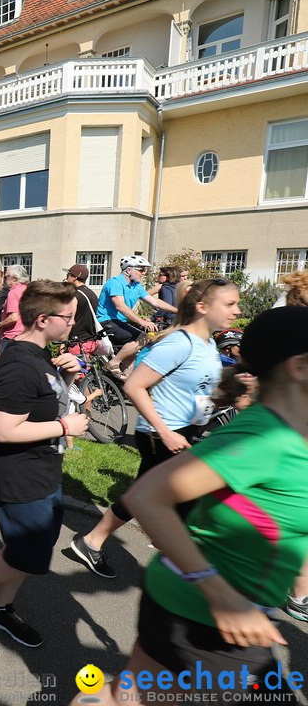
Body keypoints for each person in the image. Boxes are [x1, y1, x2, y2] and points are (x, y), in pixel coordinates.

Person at [70, 307, 308, 705]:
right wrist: (222, 596)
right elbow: (149, 496)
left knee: (124, 697)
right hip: (213, 613)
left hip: (197, 601)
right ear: (299, 367)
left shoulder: (287, 427)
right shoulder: (266, 437)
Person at [0, 281, 89, 648]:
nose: (73, 323)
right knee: (30, 552)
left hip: (41, 466)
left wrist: (69, 376)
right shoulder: (20, 365)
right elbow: (4, 430)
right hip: (17, 471)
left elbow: (47, 401)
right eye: (68, 317)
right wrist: (64, 426)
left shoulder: (41, 354)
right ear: (43, 319)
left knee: (33, 549)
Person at [70, 278, 240, 579]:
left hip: (184, 430)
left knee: (147, 495)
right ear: (202, 307)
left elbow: (202, 388)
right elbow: (135, 386)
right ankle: (185, 571)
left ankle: (93, 542)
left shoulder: (208, 343)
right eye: (229, 304)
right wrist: (164, 431)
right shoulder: (179, 342)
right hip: (162, 433)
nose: (237, 311)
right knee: (174, 500)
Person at [95, 255, 177, 379]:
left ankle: (126, 384)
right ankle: (113, 363)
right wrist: (142, 322)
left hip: (120, 322)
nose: (143, 273)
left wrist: (178, 310)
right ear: (128, 270)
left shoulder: (136, 287)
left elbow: (155, 302)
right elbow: (120, 306)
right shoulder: (115, 283)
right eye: (140, 270)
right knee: (145, 336)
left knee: (133, 354)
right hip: (106, 321)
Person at [62, 264, 100, 351]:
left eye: (68, 275)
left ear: (74, 277)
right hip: (92, 341)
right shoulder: (92, 294)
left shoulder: (75, 296)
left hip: (78, 343)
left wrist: (63, 343)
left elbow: (70, 321)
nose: (67, 278)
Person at [0, 264, 29, 344]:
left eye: (7, 276)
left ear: (14, 279)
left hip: (12, 336)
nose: (5, 279)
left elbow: (13, 318)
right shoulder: (27, 290)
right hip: (26, 335)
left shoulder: (13, 292)